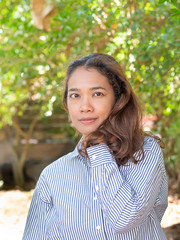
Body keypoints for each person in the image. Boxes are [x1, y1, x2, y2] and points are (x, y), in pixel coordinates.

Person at [22, 53, 168, 240]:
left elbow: (124, 219)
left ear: (118, 99)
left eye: (97, 93)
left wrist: (97, 145)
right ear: (67, 103)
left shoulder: (145, 152)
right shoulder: (53, 176)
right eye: (75, 95)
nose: (85, 106)